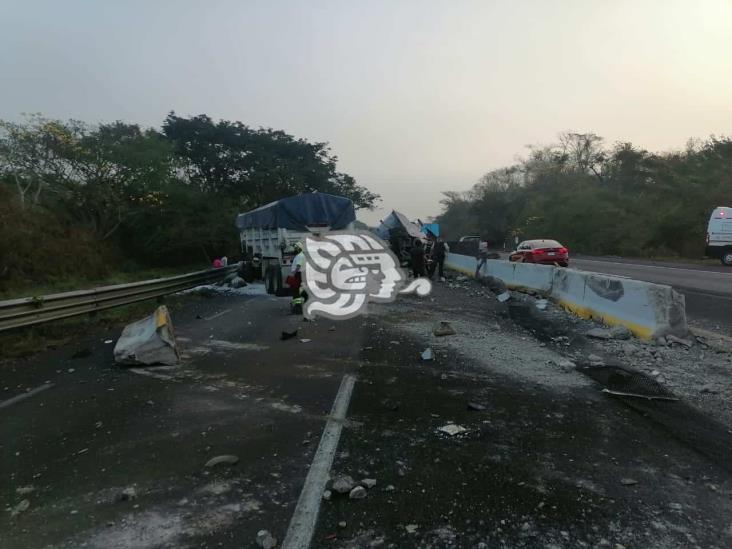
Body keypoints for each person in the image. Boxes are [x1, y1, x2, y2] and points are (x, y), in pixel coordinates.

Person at [289, 242, 308, 314]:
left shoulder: (300, 256)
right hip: (299, 274)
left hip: (299, 274)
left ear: (299, 249)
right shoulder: (299, 255)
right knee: (297, 290)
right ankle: (301, 304)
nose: (294, 249)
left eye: (296, 248)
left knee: (295, 290)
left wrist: (294, 272)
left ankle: (298, 307)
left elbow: (298, 266)